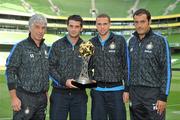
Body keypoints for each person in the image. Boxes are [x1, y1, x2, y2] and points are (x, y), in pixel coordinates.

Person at [127, 8, 172, 120]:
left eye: (142, 21)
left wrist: (163, 97)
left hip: (153, 94)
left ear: (149, 22)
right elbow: (128, 69)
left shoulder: (160, 41)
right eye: (136, 22)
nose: (139, 25)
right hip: (135, 93)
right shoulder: (131, 41)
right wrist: (127, 89)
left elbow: (167, 71)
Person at [5, 14, 49, 120]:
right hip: (25, 97)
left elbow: (46, 72)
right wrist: (14, 97)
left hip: (41, 99)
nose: (40, 31)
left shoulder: (46, 48)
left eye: (43, 28)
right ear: (30, 28)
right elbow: (10, 71)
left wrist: (46, 93)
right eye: (37, 27)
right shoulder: (20, 47)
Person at [88, 13, 129, 120]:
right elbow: (86, 66)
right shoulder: (90, 43)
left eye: (105, 24)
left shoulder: (120, 40)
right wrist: (90, 79)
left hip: (117, 90)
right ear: (96, 25)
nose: (102, 27)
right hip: (98, 92)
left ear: (109, 24)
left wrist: (127, 89)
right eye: (99, 24)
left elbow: (126, 65)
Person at [49, 15, 87, 120]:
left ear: (81, 28)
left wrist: (84, 81)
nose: (73, 29)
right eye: (71, 26)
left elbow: (89, 69)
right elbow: (50, 67)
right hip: (59, 94)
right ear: (67, 27)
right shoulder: (57, 45)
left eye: (76, 26)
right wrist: (64, 81)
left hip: (79, 95)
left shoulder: (86, 46)